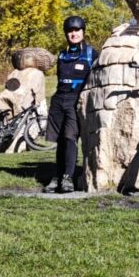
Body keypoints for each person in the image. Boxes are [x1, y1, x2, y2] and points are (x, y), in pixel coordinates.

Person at [44, 16, 99, 193]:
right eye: (70, 31)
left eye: (77, 30)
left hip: (76, 101)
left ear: (83, 32)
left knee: (70, 137)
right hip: (59, 100)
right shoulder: (62, 54)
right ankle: (57, 176)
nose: (73, 34)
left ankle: (68, 177)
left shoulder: (91, 54)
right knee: (60, 140)